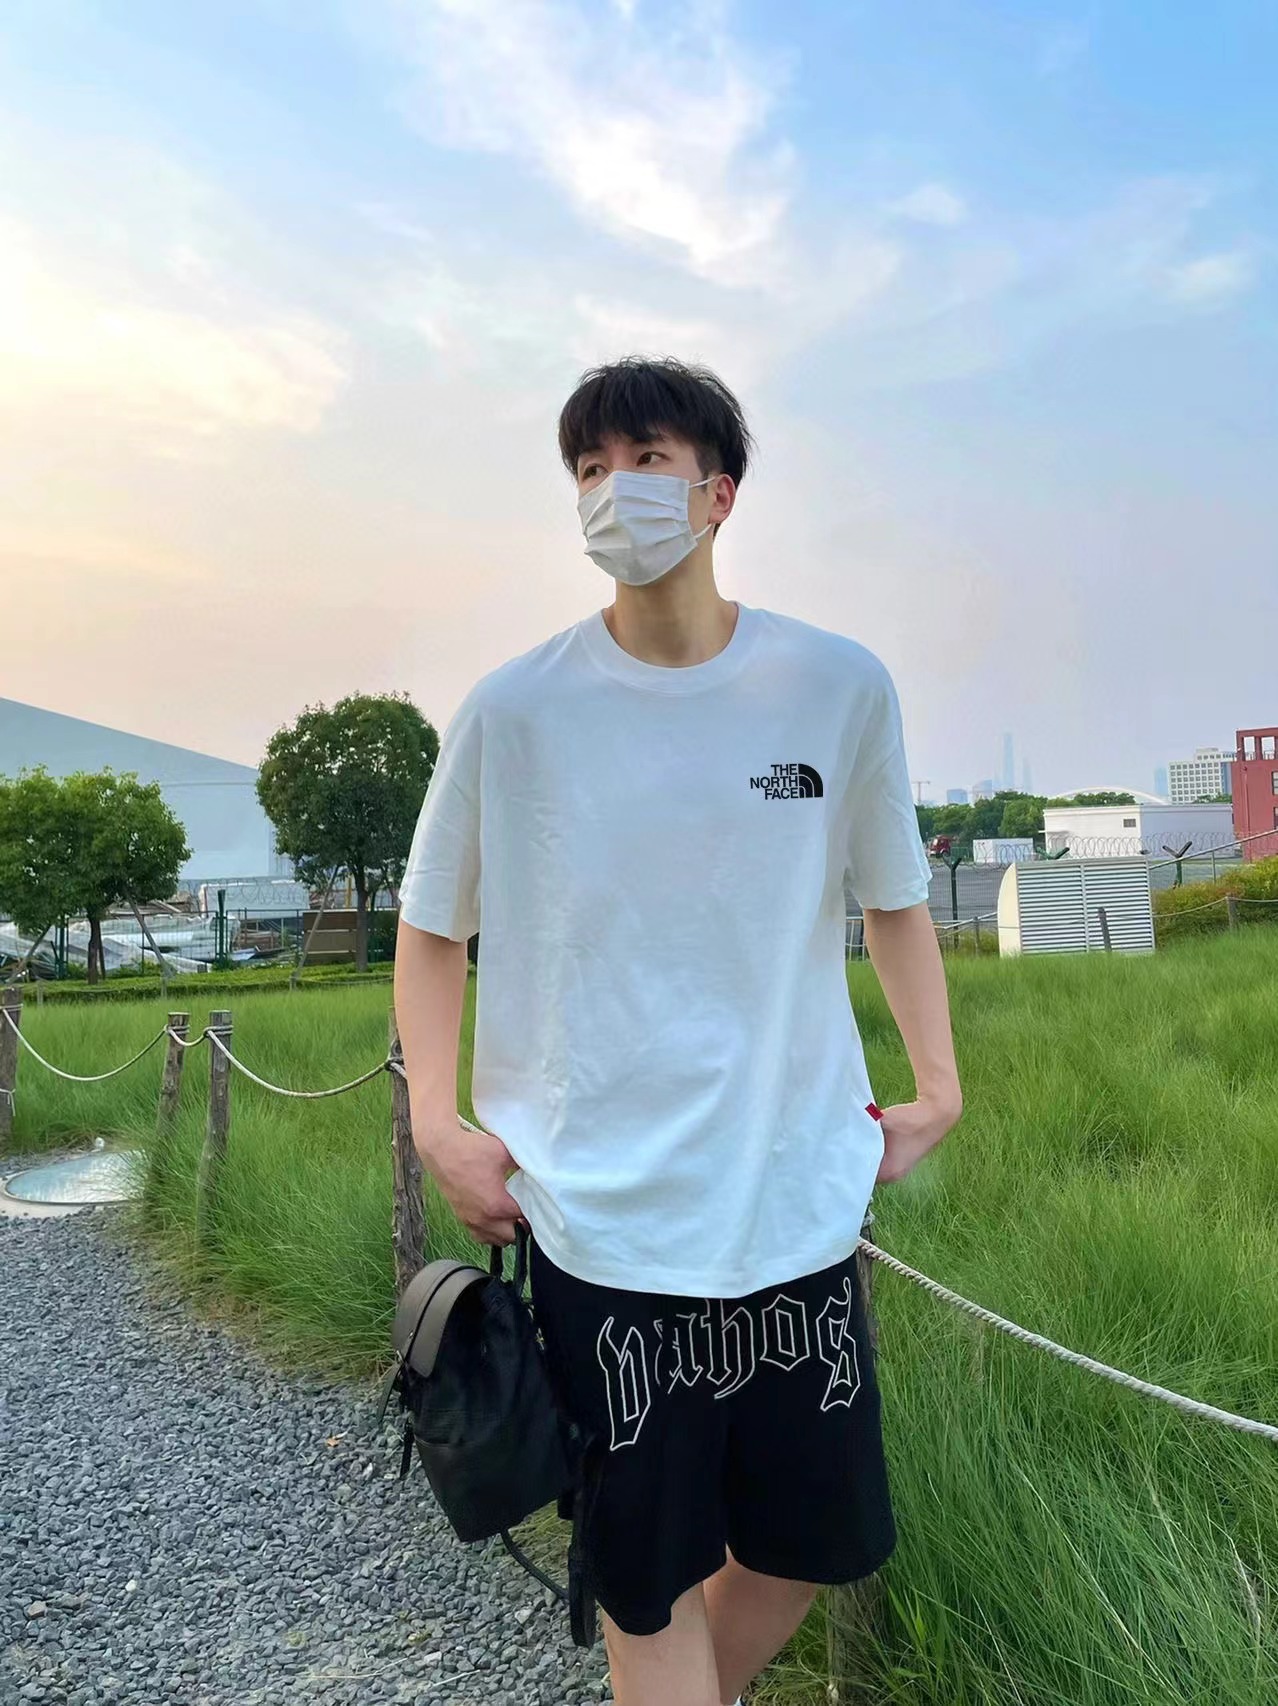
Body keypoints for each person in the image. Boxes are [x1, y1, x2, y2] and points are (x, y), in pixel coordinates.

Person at [394, 356, 963, 1706]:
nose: (614, 491)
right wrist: (436, 1123)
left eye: (644, 458)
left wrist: (937, 1084)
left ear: (719, 492)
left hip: (793, 1201)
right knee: (643, 1577)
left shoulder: (836, 685)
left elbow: (894, 899)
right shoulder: (515, 709)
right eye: (588, 469)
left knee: (806, 1549)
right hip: (599, 1217)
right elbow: (428, 927)